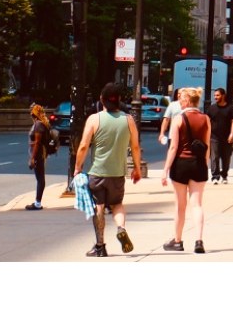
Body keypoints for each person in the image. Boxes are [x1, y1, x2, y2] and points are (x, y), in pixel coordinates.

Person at [72, 83, 143, 257]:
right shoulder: (129, 120)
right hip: (118, 173)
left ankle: (100, 246)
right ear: (119, 100)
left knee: (99, 206)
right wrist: (137, 169)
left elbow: (83, 146)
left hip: (97, 173)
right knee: (117, 204)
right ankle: (121, 228)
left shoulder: (94, 119)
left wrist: (77, 167)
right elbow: (135, 147)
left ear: (102, 100)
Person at [162, 87, 211, 253]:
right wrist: (205, 164)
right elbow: (207, 146)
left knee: (180, 206)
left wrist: (165, 169)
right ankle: (199, 240)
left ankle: (177, 241)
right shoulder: (206, 119)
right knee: (197, 204)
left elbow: (173, 146)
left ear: (188, 101)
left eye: (182, 99)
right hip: (199, 164)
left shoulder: (178, 119)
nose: (180, 102)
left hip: (181, 164)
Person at [25, 102, 53, 210]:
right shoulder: (40, 124)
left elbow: (37, 142)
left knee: (40, 178)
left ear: (35, 114)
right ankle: (37, 202)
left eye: (32, 113)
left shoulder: (38, 125)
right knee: (40, 177)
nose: (31, 115)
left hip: (38, 154)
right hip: (39, 153)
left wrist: (32, 158)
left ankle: (37, 203)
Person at [206, 89, 233, 184]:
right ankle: (215, 177)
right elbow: (207, 121)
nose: (215, 97)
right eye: (215, 95)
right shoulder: (211, 108)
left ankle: (224, 175)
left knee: (226, 158)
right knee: (214, 157)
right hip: (214, 137)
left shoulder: (230, 108)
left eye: (218, 95)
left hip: (226, 137)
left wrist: (232, 134)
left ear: (223, 95)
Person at [155, 90, 184, 190]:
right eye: (178, 93)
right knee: (172, 155)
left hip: (185, 136)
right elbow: (166, 119)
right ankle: (172, 174)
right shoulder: (172, 105)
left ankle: (181, 175)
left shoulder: (188, 106)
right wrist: (162, 133)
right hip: (173, 135)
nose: (180, 95)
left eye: (182, 93)